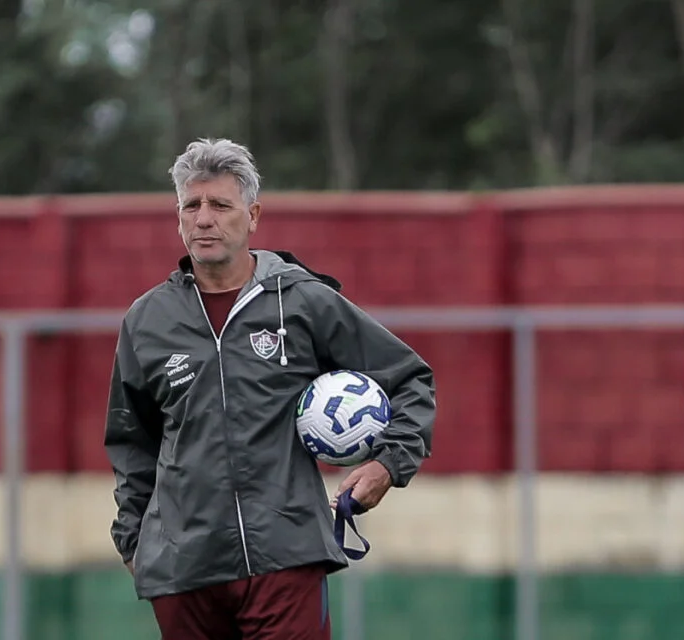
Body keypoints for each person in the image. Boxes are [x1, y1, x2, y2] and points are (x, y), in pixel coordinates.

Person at [104, 138, 436, 639]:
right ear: (178, 216)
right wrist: (134, 542)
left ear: (253, 215)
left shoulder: (304, 302)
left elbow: (411, 380)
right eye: (191, 206)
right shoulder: (146, 321)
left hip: (286, 557)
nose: (204, 218)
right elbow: (131, 441)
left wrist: (388, 464)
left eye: (220, 204)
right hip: (183, 571)